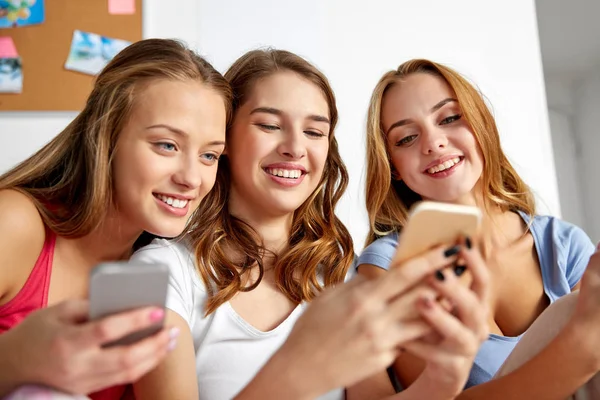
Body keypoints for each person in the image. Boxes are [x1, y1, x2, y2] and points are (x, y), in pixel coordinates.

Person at [130, 49, 489, 400]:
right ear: (224, 140)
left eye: (315, 132)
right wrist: (297, 370)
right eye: (269, 125)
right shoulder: (159, 273)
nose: (295, 148)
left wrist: (443, 378)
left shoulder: (336, 275)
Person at [0, 38, 231, 399]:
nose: (191, 178)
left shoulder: (165, 272)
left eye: (209, 155)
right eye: (167, 145)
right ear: (105, 135)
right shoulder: (15, 223)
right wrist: (14, 360)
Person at [355, 58, 599, 399]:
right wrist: (581, 350)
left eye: (450, 118)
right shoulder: (386, 268)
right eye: (407, 138)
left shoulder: (565, 245)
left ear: (480, 124)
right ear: (392, 166)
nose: (433, 143)